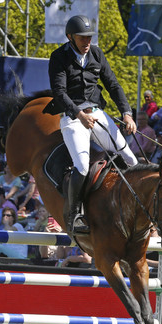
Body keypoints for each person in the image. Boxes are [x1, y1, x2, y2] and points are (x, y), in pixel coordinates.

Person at [47, 15, 138, 234]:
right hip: (72, 118)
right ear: (70, 37)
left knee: (131, 159)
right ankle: (74, 213)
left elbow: (113, 85)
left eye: (89, 37)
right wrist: (79, 114)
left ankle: (133, 209)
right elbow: (59, 92)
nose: (87, 42)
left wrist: (127, 113)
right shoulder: (59, 56)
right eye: (82, 38)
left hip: (97, 113)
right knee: (82, 166)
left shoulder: (96, 54)